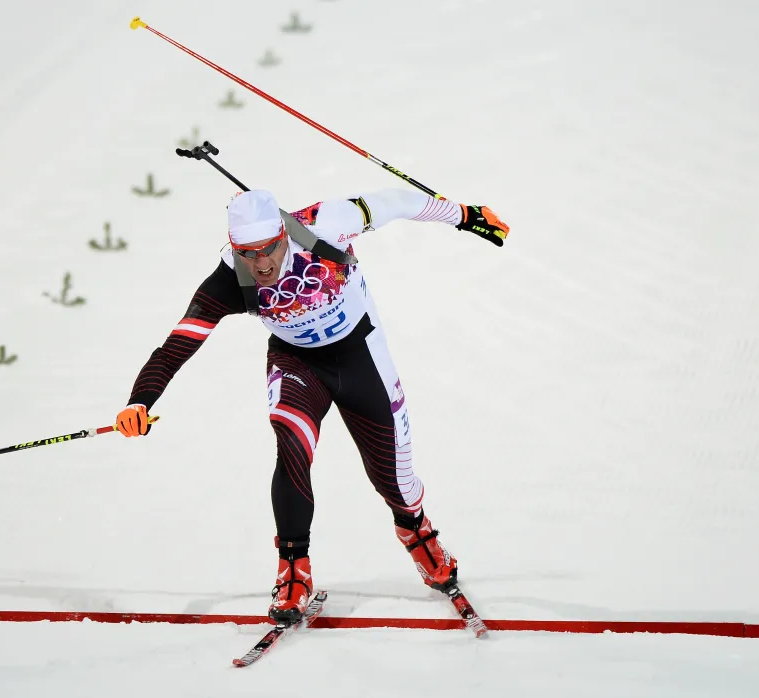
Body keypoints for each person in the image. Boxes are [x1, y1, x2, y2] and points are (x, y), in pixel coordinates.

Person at [115, 187, 508, 623]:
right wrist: (139, 401)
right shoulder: (228, 279)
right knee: (292, 445)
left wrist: (465, 215)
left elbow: (398, 203)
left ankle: (417, 531)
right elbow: (177, 345)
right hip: (298, 363)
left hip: (360, 355)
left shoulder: (327, 223)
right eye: (248, 253)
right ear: (233, 247)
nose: (261, 263)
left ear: (284, 232)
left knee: (395, 480)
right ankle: (293, 569)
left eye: (270, 248)